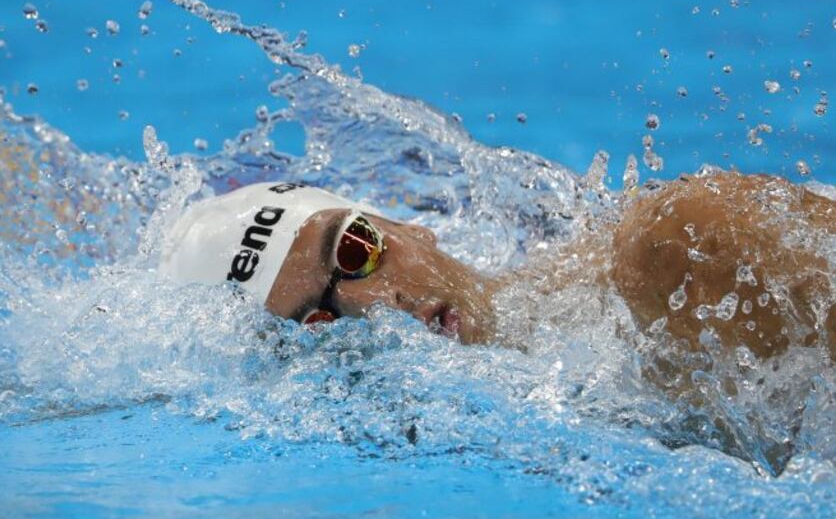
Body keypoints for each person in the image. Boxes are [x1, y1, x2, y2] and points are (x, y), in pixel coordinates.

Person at [159, 174, 836, 364]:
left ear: (403, 224)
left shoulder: (670, 250)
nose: (382, 304)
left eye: (354, 251)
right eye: (320, 321)